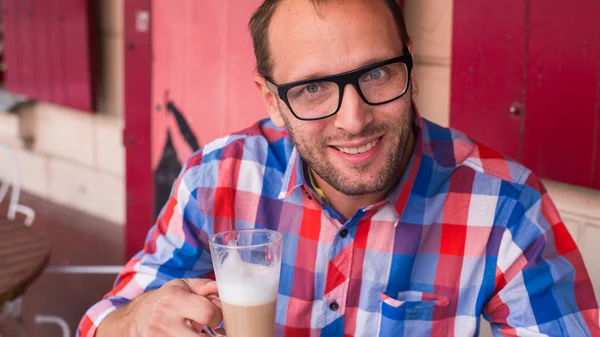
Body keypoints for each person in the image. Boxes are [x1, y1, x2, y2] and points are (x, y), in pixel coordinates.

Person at [78, 0, 600, 336]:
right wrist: (135, 320)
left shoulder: (506, 204)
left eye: (376, 73)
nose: (354, 120)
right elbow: (104, 319)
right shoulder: (217, 180)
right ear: (270, 99)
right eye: (311, 88)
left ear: (410, 63)